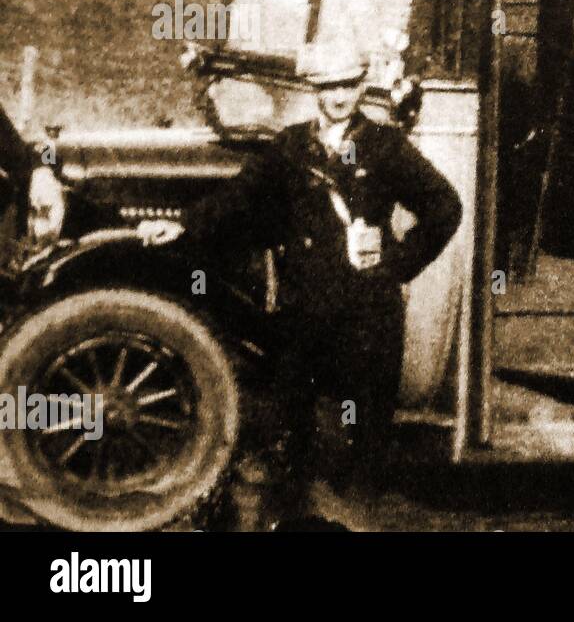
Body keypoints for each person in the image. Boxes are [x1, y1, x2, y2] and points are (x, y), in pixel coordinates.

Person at [139, 45, 462, 526]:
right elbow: (239, 197)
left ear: (361, 87)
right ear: (315, 91)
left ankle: (356, 515)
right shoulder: (291, 147)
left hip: (366, 316)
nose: (339, 97)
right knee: (294, 435)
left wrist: (395, 266)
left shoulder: (385, 146)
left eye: (349, 86)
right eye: (329, 87)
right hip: (304, 314)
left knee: (361, 439)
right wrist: (184, 225)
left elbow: (445, 207)